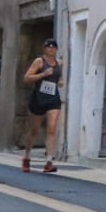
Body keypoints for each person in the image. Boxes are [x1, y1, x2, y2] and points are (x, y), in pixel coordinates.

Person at [20, 39, 64, 173]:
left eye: (53, 47)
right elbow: (26, 78)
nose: (51, 49)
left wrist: (60, 82)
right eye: (48, 47)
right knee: (34, 130)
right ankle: (26, 157)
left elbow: (59, 78)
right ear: (44, 49)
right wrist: (43, 74)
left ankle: (49, 161)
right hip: (38, 98)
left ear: (56, 49)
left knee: (51, 129)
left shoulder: (59, 63)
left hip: (53, 99)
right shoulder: (39, 62)